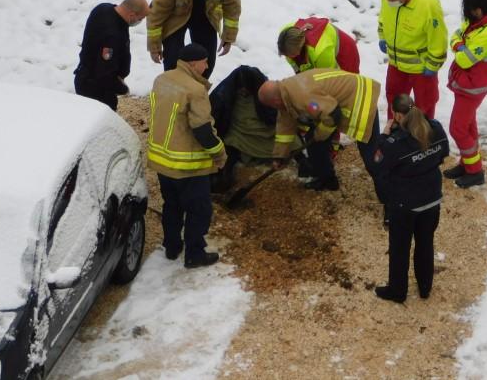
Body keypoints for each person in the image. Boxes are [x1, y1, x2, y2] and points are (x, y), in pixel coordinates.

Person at [146, 43, 226, 268]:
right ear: (193, 64)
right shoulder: (195, 90)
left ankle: (171, 246)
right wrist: (219, 154)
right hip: (187, 165)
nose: (207, 65)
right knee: (198, 210)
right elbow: (202, 130)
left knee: (171, 205)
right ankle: (195, 254)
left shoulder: (162, 79)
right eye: (205, 61)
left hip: (162, 160)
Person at [372, 94, 449, 303]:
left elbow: (378, 164)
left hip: (405, 203)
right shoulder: (435, 128)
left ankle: (397, 291)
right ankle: (425, 288)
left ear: (397, 115)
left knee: (400, 247)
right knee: (425, 242)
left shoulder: (395, 143)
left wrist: (384, 136)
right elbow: (444, 153)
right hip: (432, 197)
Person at [257, 68, 382, 193]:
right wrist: (280, 156)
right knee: (315, 143)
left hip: (362, 100)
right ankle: (328, 180)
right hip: (335, 105)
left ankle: (390, 187)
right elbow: (285, 127)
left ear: (275, 101)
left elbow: (332, 115)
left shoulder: (302, 97)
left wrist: (319, 134)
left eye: (271, 106)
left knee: (370, 154)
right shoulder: (285, 92)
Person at [443, 0, 487, 188]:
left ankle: (475, 170)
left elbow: (464, 60)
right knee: (468, 125)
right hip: (466, 85)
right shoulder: (475, 24)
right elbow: (454, 35)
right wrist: (459, 44)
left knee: (458, 128)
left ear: (478, 9)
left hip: (472, 88)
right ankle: (467, 162)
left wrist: (459, 46)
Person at [209, 65, 305, 193]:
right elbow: (215, 114)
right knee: (228, 148)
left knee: (290, 139)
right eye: (241, 90)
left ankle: (305, 164)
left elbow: (279, 117)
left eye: (246, 90)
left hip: (267, 133)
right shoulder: (226, 92)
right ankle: (221, 180)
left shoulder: (266, 92)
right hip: (239, 134)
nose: (243, 92)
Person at [147, 0, 241, 78]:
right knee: (172, 57)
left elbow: (233, 9)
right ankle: (174, 87)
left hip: (206, 15)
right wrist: (154, 47)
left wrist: (228, 38)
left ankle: (198, 90)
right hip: (176, 16)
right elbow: (155, 16)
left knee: (207, 59)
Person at [378, 0, 448, 120]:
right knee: (394, 99)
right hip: (396, 63)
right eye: (387, 0)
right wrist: (382, 37)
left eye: (392, 1)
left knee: (425, 104)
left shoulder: (428, 4)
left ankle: (424, 134)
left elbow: (438, 37)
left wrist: (433, 64)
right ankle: (395, 132)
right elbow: (383, 18)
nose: (388, 3)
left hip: (421, 67)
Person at [74, 0, 149, 110]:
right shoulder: (112, 36)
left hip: (85, 76)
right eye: (141, 18)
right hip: (97, 90)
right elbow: (105, 72)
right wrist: (122, 88)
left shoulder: (103, 8)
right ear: (132, 15)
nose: (141, 21)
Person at [277, 17, 360, 74]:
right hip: (321, 48)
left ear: (298, 51)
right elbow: (298, 69)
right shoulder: (287, 37)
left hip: (345, 52)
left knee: (348, 84)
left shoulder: (320, 52)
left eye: (290, 55)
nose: (287, 57)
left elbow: (331, 78)